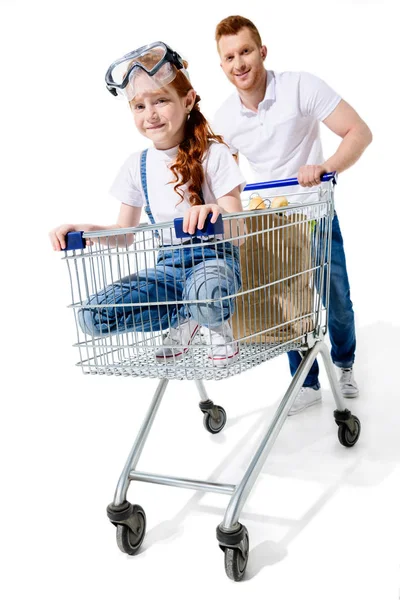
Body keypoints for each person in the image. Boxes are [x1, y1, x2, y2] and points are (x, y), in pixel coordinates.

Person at [213, 16, 372, 413]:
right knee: (286, 301)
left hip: (314, 211)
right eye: (229, 56)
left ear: (262, 52)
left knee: (335, 294)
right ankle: (306, 380)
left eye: (246, 51)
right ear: (222, 65)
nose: (239, 63)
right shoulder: (225, 119)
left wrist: (325, 167)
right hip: (269, 221)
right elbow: (220, 175)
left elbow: (358, 132)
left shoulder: (300, 86)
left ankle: (345, 361)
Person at [49, 41, 245, 365]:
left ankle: (206, 318)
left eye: (161, 101)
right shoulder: (135, 165)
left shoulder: (215, 155)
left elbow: (238, 228)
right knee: (92, 317)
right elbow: (124, 234)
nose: (150, 114)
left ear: (188, 100)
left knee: (204, 291)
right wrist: (87, 230)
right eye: (139, 106)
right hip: (168, 270)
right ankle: (186, 314)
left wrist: (216, 211)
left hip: (214, 262)